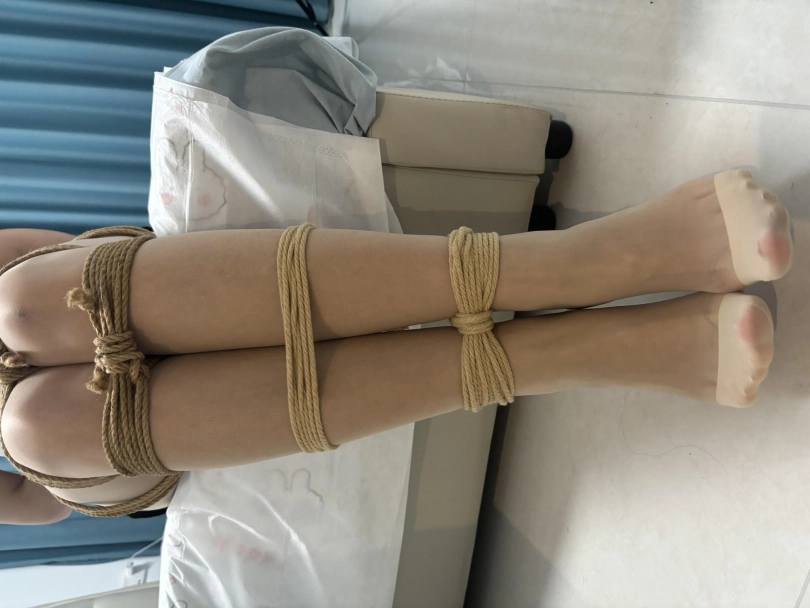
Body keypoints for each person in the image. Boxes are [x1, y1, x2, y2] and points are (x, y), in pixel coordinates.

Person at [0, 170, 794, 523]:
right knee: (31, 427)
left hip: (60, 298)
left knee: (21, 308)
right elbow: (34, 505)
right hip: (74, 454)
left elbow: (29, 254)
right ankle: (600, 345)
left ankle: (594, 265)